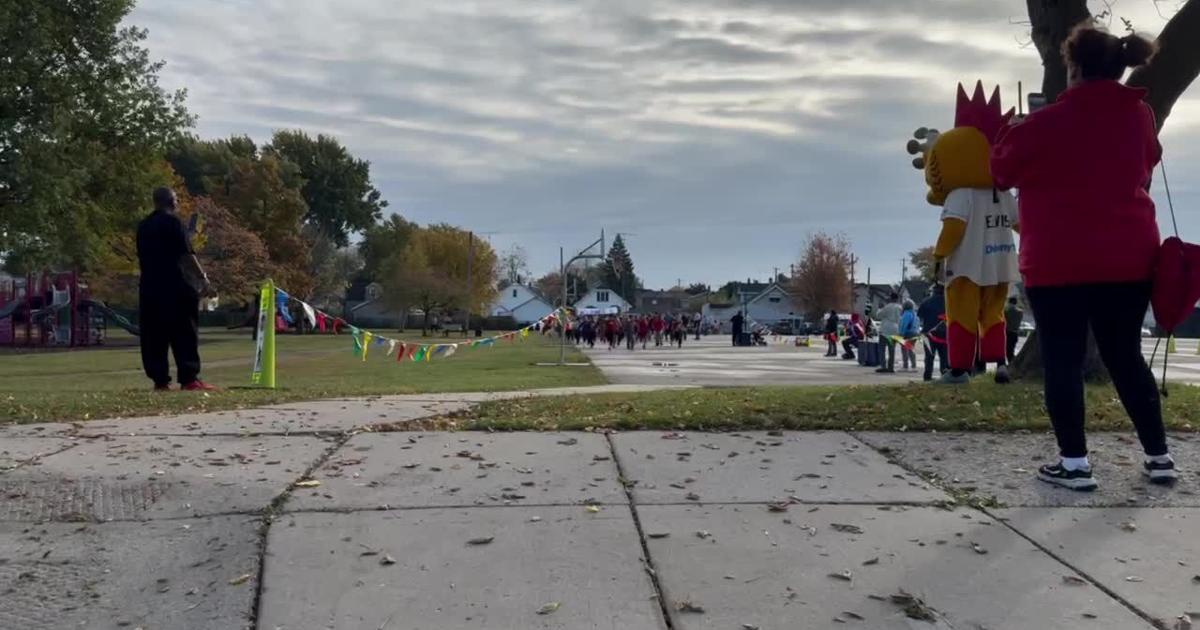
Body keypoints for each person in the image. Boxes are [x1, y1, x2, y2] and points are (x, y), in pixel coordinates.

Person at [991, 23, 1174, 490]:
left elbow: (1002, 170)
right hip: (1128, 258)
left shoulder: (1044, 123)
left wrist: (1008, 132)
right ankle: (1159, 456)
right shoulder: (1140, 116)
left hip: (1058, 261)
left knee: (1063, 359)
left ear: (1073, 67)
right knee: (1126, 357)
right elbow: (1147, 161)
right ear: (1118, 66)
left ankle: (1074, 464)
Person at [136, 187, 216, 391]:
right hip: (175, 285)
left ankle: (160, 380)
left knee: (154, 336)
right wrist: (203, 279)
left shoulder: (143, 227)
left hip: (150, 287)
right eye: (177, 199)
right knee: (184, 332)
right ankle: (189, 377)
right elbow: (187, 255)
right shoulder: (173, 223)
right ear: (171, 202)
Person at [919, 283, 949, 381]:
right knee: (944, 356)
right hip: (944, 334)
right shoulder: (949, 303)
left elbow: (920, 316)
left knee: (929, 356)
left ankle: (927, 376)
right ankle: (944, 374)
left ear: (934, 291)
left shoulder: (926, 302)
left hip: (928, 334)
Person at [874, 293, 902, 373]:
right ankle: (891, 367)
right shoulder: (900, 308)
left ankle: (883, 366)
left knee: (882, 349)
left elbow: (878, 315)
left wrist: (880, 308)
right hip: (895, 329)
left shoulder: (887, 307)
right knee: (891, 349)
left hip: (885, 329)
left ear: (890, 298)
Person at [899, 299, 920, 371]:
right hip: (916, 333)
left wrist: (901, 334)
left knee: (904, 349)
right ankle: (914, 366)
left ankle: (905, 366)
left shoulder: (906, 314)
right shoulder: (915, 314)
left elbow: (904, 325)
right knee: (911, 349)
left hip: (908, 333)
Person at [1005, 296, 1024, 363]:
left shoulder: (1007, 311)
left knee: (1008, 351)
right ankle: (1013, 362)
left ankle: (1012, 363)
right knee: (1011, 349)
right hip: (1015, 333)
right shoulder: (1020, 312)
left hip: (1008, 333)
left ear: (1009, 302)